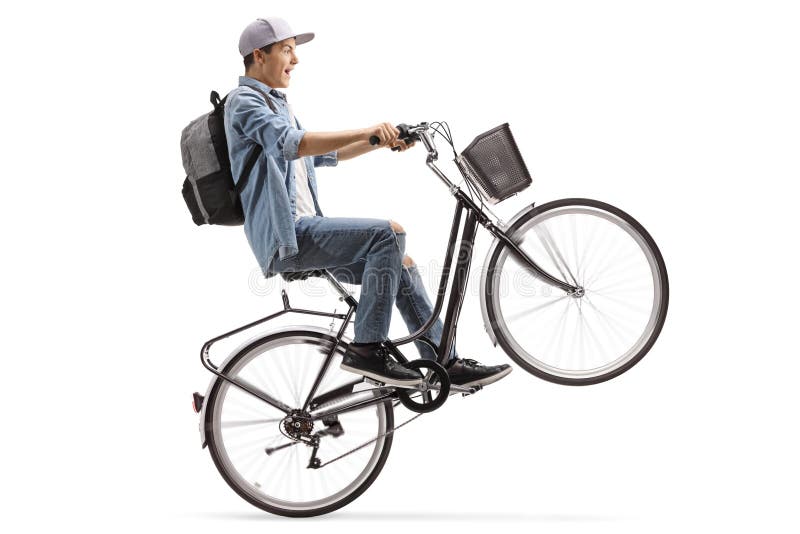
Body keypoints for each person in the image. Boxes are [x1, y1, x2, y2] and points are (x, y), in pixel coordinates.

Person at [225, 17, 512, 388]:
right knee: (388, 235)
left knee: (402, 265)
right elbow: (293, 143)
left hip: (303, 234)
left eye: (295, 51)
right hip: (289, 238)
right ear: (259, 55)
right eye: (287, 50)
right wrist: (367, 130)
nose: (295, 60)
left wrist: (380, 141)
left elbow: (325, 155)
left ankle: (443, 362)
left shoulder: (276, 105)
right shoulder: (244, 102)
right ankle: (367, 350)